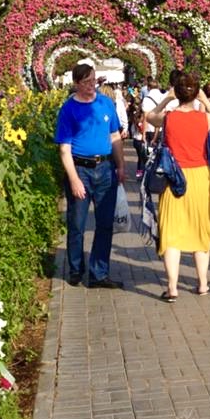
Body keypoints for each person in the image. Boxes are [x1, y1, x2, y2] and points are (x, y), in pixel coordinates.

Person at [150, 70, 210, 301]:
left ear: (176, 93)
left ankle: (173, 287)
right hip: (199, 177)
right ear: (194, 92)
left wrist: (166, 99)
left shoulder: (168, 117)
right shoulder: (204, 118)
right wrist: (205, 100)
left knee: (171, 233)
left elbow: (149, 116)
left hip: (174, 178)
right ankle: (203, 284)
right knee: (200, 229)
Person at [54, 62, 125, 289]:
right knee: (77, 223)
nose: (91, 85)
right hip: (80, 169)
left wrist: (121, 165)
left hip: (105, 169)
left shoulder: (105, 103)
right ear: (76, 84)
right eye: (85, 82)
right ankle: (76, 269)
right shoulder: (69, 110)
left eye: (93, 80)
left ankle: (99, 273)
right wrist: (74, 179)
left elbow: (115, 136)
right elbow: (64, 149)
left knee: (105, 224)